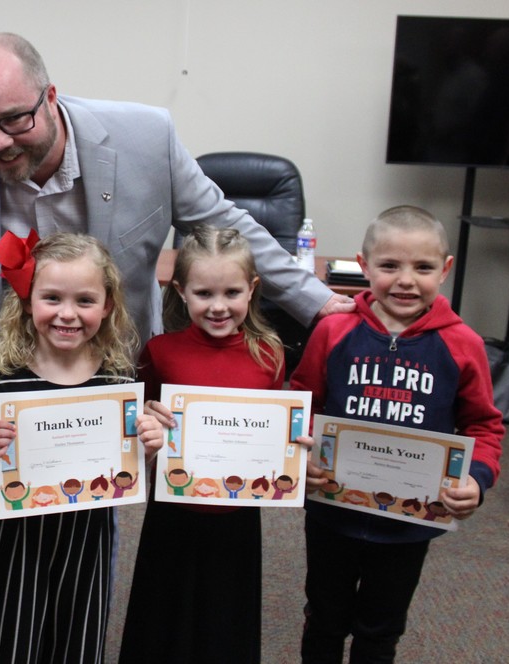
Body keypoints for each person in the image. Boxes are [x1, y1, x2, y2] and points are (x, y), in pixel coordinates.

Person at [0, 32, 354, 660]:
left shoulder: (144, 138)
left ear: (50, 98)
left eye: (15, 120)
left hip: (106, 367)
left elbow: (223, 224)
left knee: (89, 519)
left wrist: (322, 303)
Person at [290, 205, 504, 663]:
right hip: (332, 512)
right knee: (324, 617)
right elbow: (302, 402)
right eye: (389, 266)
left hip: (409, 522)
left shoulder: (463, 343)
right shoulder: (333, 331)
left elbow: (484, 425)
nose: (406, 280)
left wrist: (477, 479)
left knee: (381, 628)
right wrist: (300, 453)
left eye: (423, 267)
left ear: (445, 271)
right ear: (363, 266)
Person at [0, 232, 164, 663]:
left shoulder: (117, 381)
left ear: (108, 305)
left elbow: (130, 470)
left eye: (85, 301)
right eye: (52, 298)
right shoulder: (2, 377)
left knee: (79, 641)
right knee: (10, 642)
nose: (68, 314)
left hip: (88, 539)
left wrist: (150, 445)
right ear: (26, 299)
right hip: (18, 540)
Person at [118, 225, 288, 663]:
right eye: (203, 293)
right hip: (172, 509)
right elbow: (141, 425)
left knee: (225, 620)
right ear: (181, 290)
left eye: (232, 292)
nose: (218, 306)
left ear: (252, 290)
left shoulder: (269, 354)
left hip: (236, 514)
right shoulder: (160, 351)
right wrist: (146, 432)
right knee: (163, 616)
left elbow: (274, 436)